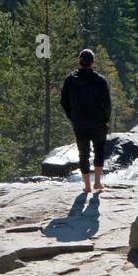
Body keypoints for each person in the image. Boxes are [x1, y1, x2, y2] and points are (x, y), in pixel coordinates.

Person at [59, 48, 112, 193]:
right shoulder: (100, 80)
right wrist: (106, 119)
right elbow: (107, 103)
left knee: (83, 153)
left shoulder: (70, 79)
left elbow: (63, 101)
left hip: (79, 122)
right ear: (93, 62)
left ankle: (87, 186)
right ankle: (97, 183)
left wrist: (72, 117)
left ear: (79, 61)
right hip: (98, 122)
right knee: (99, 150)